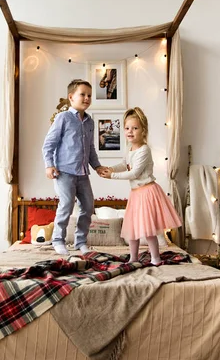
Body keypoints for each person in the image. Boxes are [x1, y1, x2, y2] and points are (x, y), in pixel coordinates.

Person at [99, 107, 181, 265]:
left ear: (143, 130)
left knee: (149, 230)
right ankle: (133, 257)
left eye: (135, 128)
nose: (130, 131)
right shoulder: (129, 150)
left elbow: (134, 173)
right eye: (127, 128)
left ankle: (155, 258)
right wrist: (110, 169)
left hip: (147, 192)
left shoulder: (144, 150)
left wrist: (112, 176)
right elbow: (124, 164)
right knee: (133, 229)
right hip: (136, 194)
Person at [43, 79, 105, 255]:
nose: (86, 98)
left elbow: (90, 148)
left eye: (89, 95)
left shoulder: (89, 122)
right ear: (71, 97)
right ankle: (58, 240)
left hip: (83, 173)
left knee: (88, 206)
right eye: (82, 94)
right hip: (64, 172)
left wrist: (97, 166)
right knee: (67, 205)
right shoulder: (63, 118)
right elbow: (49, 144)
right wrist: (49, 165)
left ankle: (80, 242)